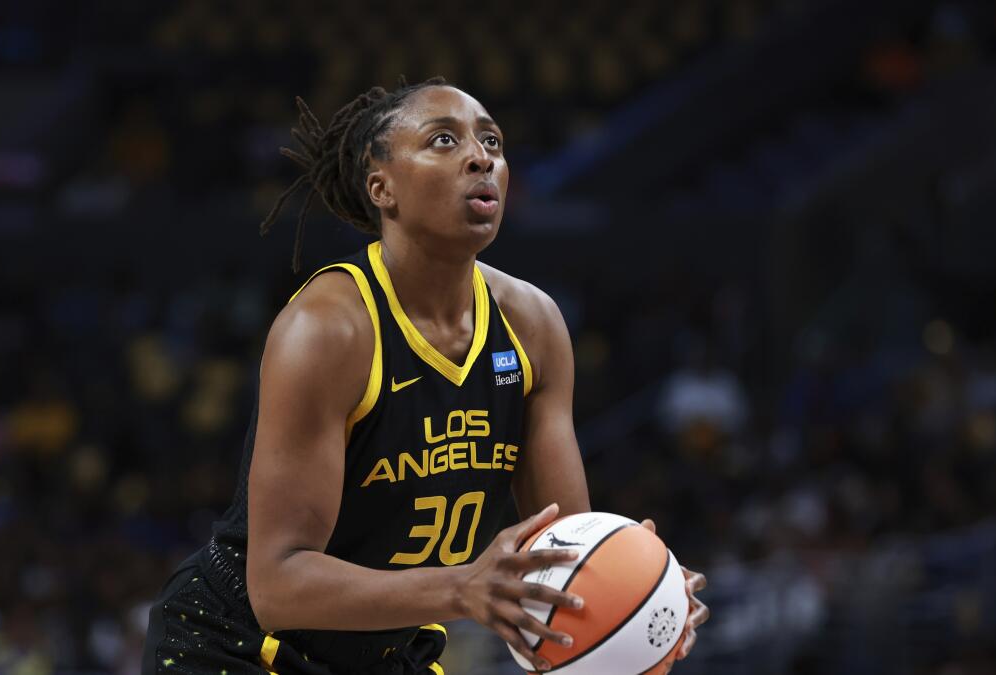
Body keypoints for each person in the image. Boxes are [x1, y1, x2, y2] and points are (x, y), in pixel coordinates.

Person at [142, 77, 709, 674]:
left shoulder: (534, 326)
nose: (481, 157)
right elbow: (278, 584)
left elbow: (558, 557)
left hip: (385, 652)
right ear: (381, 187)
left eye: (492, 141)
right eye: (444, 139)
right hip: (233, 646)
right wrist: (462, 588)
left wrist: (645, 594)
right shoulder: (330, 328)